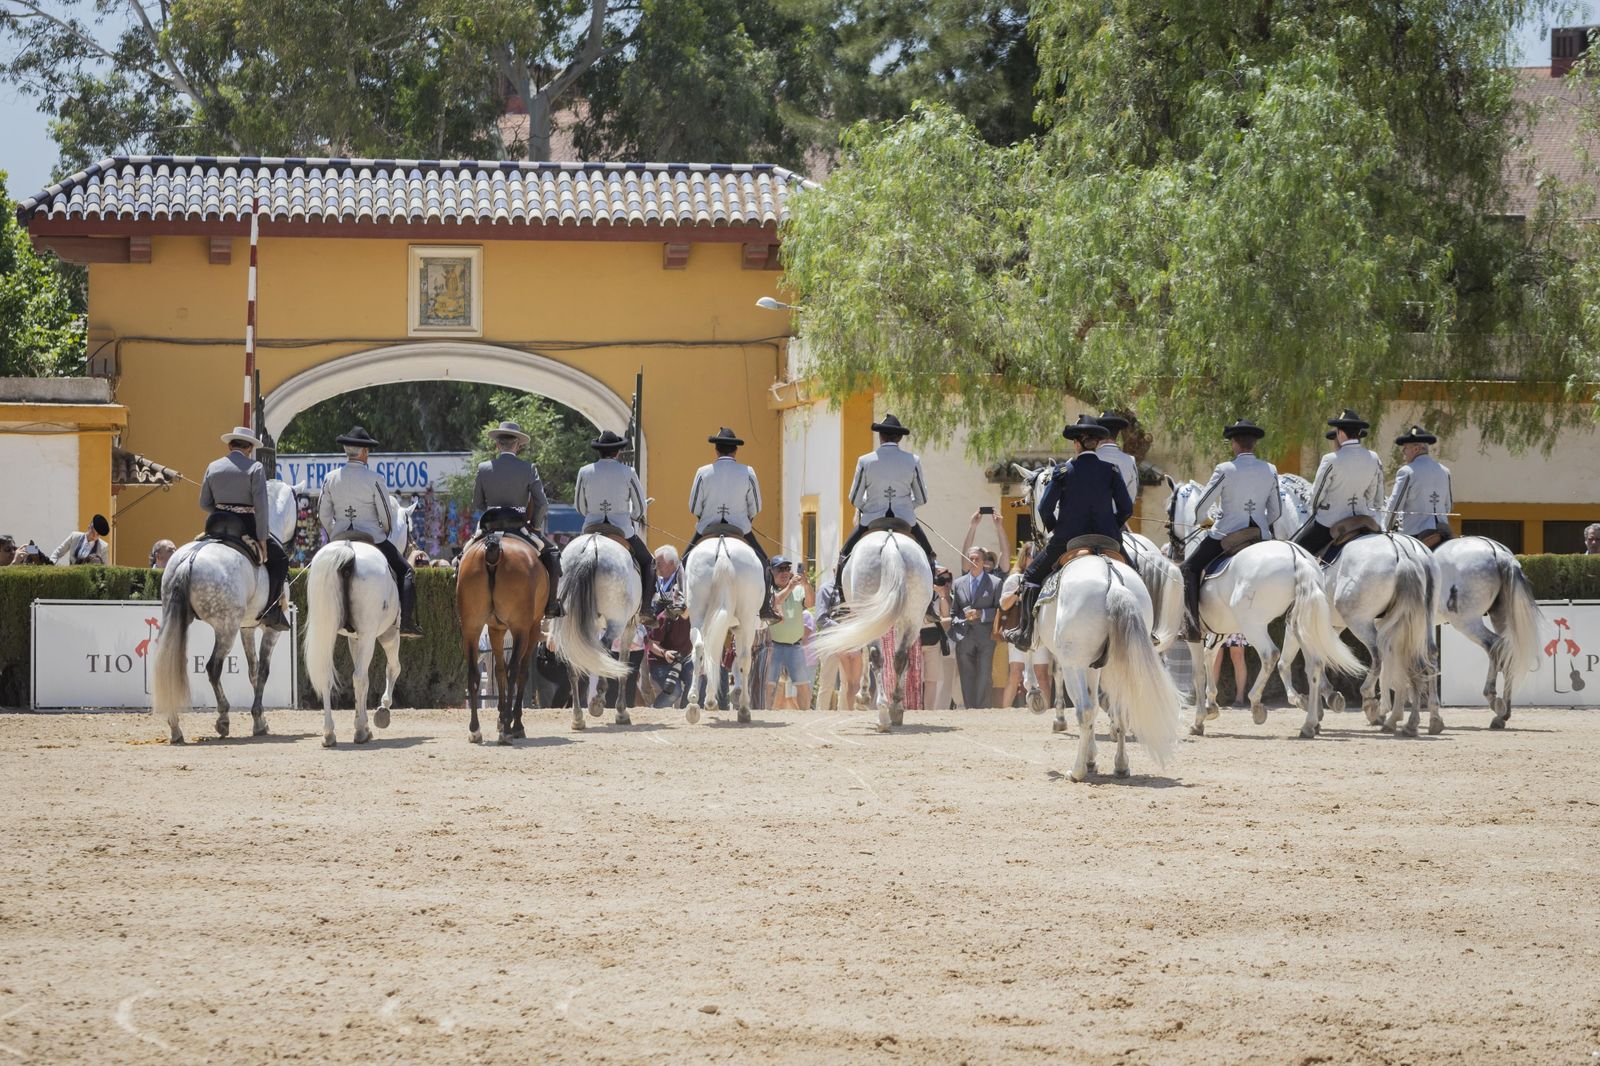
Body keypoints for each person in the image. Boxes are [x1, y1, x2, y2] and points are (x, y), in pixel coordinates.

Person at [1003, 415, 1133, 649]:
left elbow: (1044, 508)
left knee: (1031, 575)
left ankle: (1025, 633)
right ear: (1096, 443)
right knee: (1136, 575)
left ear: (1077, 443)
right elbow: (1127, 508)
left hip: (1068, 539)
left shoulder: (1063, 471)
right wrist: (1111, 525)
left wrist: (1056, 528)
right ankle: (1148, 629)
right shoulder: (1111, 471)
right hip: (1108, 537)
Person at [1179, 419, 1281, 641]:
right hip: (1262, 535)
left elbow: (1201, 505)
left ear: (1234, 443)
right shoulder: (1270, 469)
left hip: (1227, 534)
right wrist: (1261, 526)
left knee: (1188, 568)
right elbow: (1276, 512)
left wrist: (1203, 521)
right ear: (1254, 443)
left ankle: (1192, 627)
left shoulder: (1225, 469)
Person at [317, 425, 422, 636]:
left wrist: (334, 534)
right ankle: (407, 622)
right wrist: (384, 531)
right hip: (371, 537)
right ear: (364, 452)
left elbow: (323, 514)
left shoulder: (330, 478)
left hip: (339, 537)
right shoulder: (375, 478)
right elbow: (385, 514)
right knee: (406, 571)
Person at [684, 427, 782, 621]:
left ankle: (678, 597)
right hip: (739, 529)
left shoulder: (703, 473)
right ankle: (765, 608)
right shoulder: (748, 472)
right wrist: (744, 518)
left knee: (684, 560)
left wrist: (707, 516)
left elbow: (694, 507)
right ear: (735, 450)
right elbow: (756, 506)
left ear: (716, 450)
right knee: (764, 563)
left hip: (708, 528)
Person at [832, 414, 935, 599]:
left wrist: (868, 507)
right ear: (900, 437)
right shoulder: (913, 460)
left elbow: (854, 497)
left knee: (844, 554)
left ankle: (837, 596)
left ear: (880, 436)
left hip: (872, 518)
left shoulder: (865, 460)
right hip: (905, 519)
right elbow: (922, 498)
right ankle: (930, 603)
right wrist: (906, 506)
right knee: (928, 555)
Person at [198, 427, 291, 629]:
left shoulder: (213, 467)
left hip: (216, 523)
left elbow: (204, 503)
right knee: (281, 560)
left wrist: (222, 507)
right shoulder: (255, 468)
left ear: (230, 445)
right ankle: (271, 610)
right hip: (245, 524)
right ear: (249, 448)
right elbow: (261, 507)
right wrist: (262, 539)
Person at [470, 420, 564, 617]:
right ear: (517, 445)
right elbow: (542, 503)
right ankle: (551, 606)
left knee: (461, 558)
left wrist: (492, 509)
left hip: (489, 524)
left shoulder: (484, 468)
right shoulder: (528, 468)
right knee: (553, 555)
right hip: (518, 525)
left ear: (497, 444)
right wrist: (535, 527)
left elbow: (478, 503)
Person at [1292, 409, 1385, 557]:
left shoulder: (1331, 459)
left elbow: (1317, 493)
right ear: (1359, 432)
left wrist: (1316, 509)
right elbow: (1371, 493)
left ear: (1341, 433)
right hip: (1363, 517)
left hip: (1331, 521)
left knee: (1296, 554)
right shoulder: (1373, 457)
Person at [573, 429, 654, 594]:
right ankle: (647, 607)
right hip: (621, 528)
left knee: (569, 561)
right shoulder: (628, 472)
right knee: (647, 562)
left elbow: (579, 506)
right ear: (618, 452)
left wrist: (592, 514)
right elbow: (640, 506)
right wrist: (633, 517)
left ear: (599, 451)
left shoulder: (585, 471)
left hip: (591, 526)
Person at [998, 545, 1052, 709]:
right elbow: (1003, 604)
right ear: (1023, 557)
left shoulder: (1047, 578)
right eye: (1030, 554)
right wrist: (1018, 590)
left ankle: (1045, 713)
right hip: (1018, 630)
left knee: (1042, 675)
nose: (1033, 557)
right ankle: (1004, 713)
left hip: (1040, 631)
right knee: (1015, 674)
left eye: (1038, 554)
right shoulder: (1015, 578)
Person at [1382, 426, 1453, 546]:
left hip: (1416, 532)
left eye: (1405, 448)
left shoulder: (1407, 471)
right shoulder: (1445, 471)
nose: (1403, 452)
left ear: (1416, 449)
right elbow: (1448, 506)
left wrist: (1386, 528)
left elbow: (1395, 505)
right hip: (1444, 529)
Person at [951, 544, 1002, 709]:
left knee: (984, 675)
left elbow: (1001, 612)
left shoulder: (995, 583)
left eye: (976, 559)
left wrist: (982, 613)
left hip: (986, 636)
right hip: (965, 636)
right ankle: (969, 708)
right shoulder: (958, 583)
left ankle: (982, 709)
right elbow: (954, 612)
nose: (973, 562)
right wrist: (961, 619)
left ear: (983, 562)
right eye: (970, 559)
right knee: (966, 675)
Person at [763, 557, 811, 710]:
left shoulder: (798, 589)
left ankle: (805, 716)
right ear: (772, 571)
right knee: (768, 686)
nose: (784, 572)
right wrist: (790, 587)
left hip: (795, 646)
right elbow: (774, 602)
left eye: (787, 569)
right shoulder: (768, 590)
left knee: (803, 685)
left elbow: (811, 603)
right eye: (780, 569)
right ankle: (766, 715)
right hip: (773, 647)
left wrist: (806, 584)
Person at [813, 568, 862, 711]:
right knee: (827, 683)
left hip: (848, 641)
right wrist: (842, 629)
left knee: (846, 682)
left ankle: (844, 714)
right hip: (830, 640)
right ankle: (820, 714)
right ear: (835, 570)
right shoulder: (825, 589)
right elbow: (821, 619)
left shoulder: (852, 591)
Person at [920, 564, 958, 712]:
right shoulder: (920, 589)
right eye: (939, 578)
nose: (943, 582)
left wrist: (942, 595)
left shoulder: (940, 595)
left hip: (933, 638)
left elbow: (945, 615)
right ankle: (914, 708)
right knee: (914, 678)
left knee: (931, 679)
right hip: (916, 637)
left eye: (947, 579)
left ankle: (929, 711)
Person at [1095, 410, 1141, 505]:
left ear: (1100, 434)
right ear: (1117, 433)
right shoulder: (1130, 461)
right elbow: (1132, 496)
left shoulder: (1090, 458)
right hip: (1119, 519)